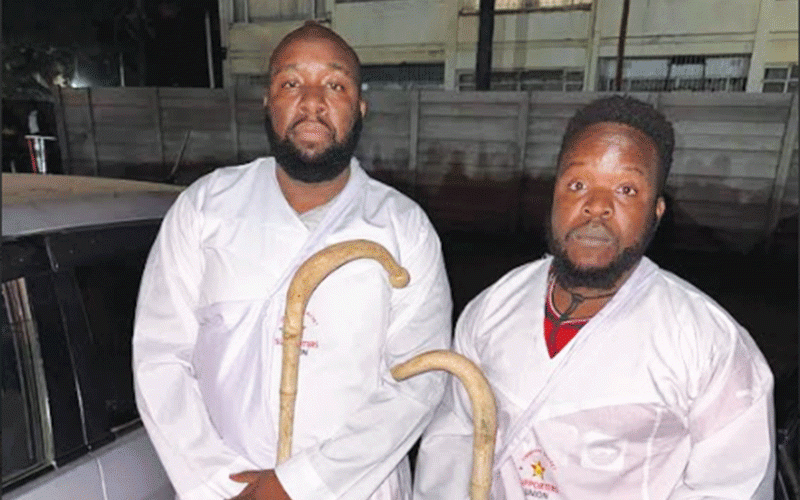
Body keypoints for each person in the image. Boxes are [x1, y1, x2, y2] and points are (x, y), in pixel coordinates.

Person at [133, 21, 452, 500]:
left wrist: (299, 484)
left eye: (335, 85)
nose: (312, 102)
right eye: (291, 83)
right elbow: (160, 356)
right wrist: (219, 482)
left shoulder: (403, 229)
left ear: (360, 108)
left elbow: (418, 381)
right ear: (268, 101)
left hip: (356, 490)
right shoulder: (206, 208)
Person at [414, 95, 775, 499]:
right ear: (554, 195)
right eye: (578, 185)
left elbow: (733, 485)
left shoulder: (709, 343)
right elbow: (453, 437)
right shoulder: (492, 309)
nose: (597, 206)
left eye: (626, 189)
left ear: (656, 211)